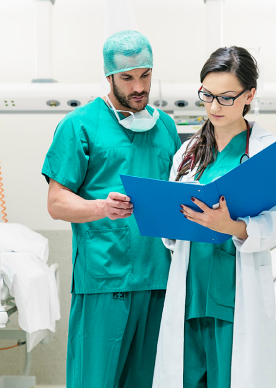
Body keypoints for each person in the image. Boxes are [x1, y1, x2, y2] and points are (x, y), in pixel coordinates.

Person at [152, 46, 276, 388]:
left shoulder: (267, 151)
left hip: (234, 295)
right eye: (207, 95)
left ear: (250, 94)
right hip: (190, 290)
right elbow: (170, 230)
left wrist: (233, 227)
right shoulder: (187, 154)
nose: (214, 106)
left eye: (226, 97)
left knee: (232, 377)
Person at [42, 30, 181, 388]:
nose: (139, 86)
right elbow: (56, 203)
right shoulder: (79, 125)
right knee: (96, 380)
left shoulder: (165, 126)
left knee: (151, 380)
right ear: (109, 77)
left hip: (159, 278)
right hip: (106, 278)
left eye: (145, 75)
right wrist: (101, 207)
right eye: (127, 77)